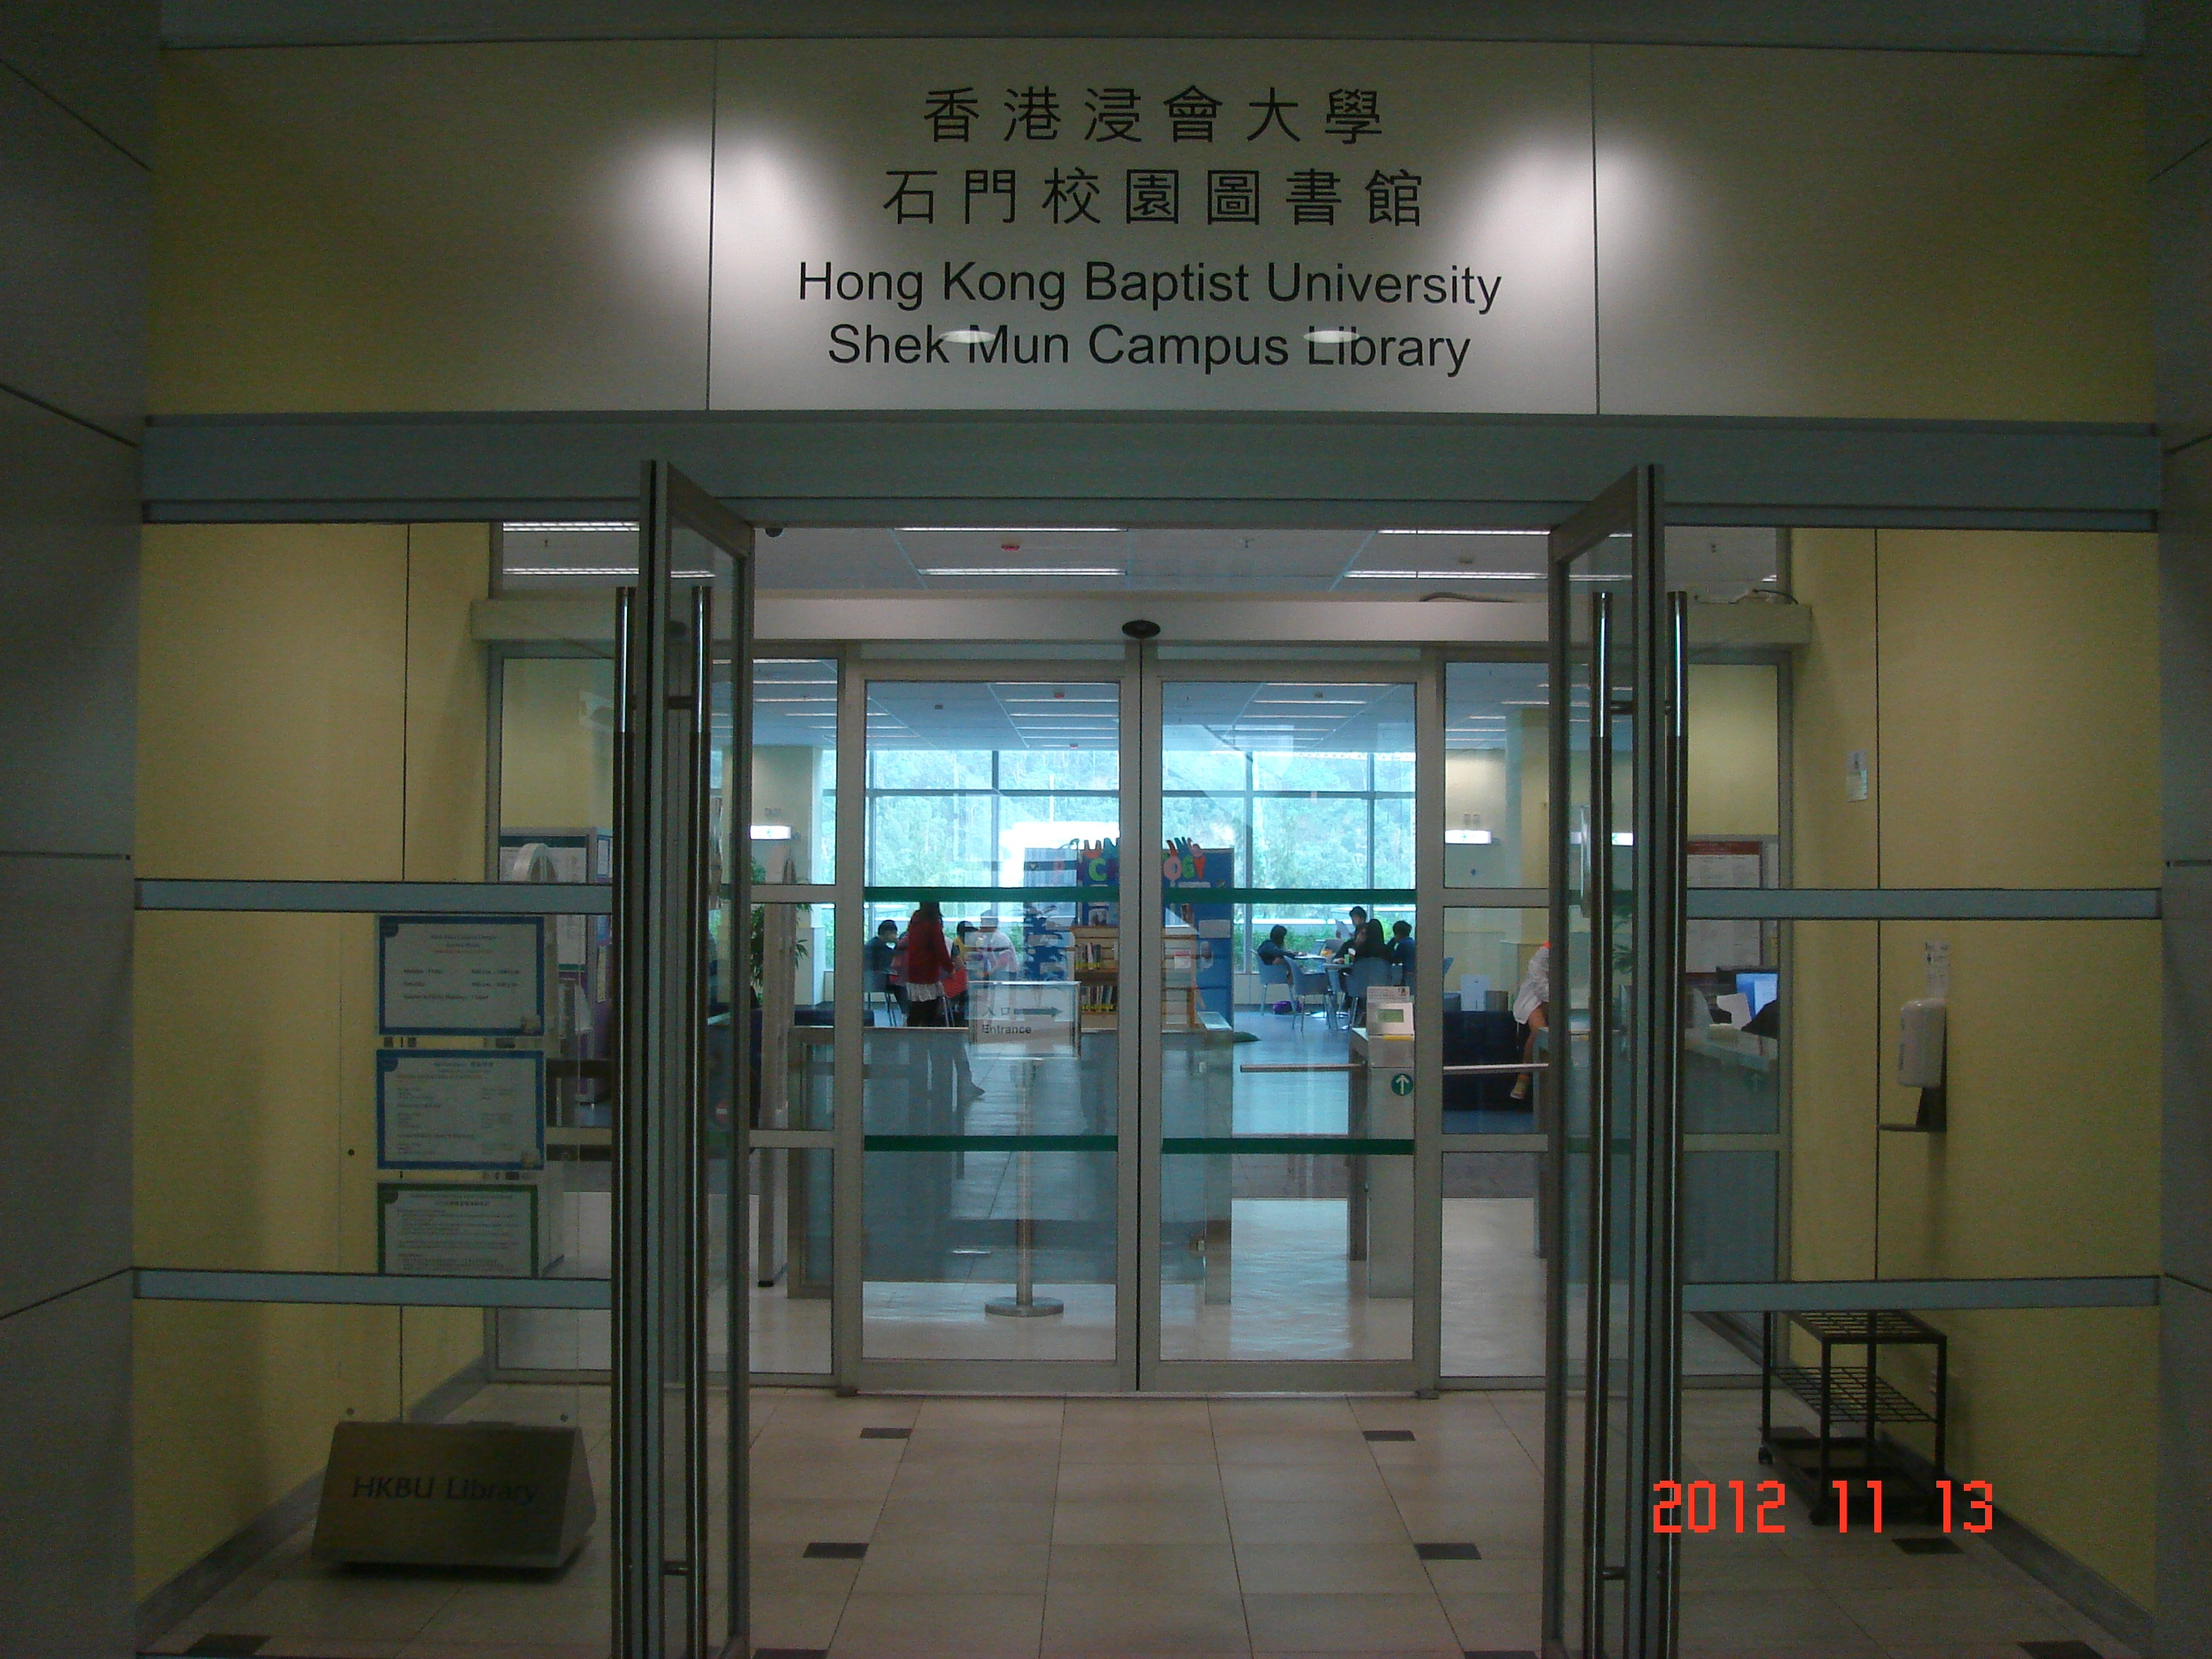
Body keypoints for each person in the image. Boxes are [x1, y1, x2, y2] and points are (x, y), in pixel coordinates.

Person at [1510, 941, 1551, 1102]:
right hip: (1536, 999)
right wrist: (1552, 997)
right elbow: (1537, 977)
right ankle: (1524, 1077)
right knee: (1539, 1031)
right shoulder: (1545, 952)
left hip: (1562, 1000)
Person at [863, 917, 903, 1023]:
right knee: (901, 985)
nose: (896, 936)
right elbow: (894, 957)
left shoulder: (874, 943)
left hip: (869, 979)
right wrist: (897, 943)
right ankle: (906, 1013)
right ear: (888, 933)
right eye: (894, 933)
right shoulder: (879, 947)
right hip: (876, 980)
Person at [1387, 919, 1415, 986]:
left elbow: (1394, 959)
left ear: (1397, 934)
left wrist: (1392, 942)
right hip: (1414, 975)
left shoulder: (1403, 944)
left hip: (1408, 977)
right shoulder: (1412, 942)